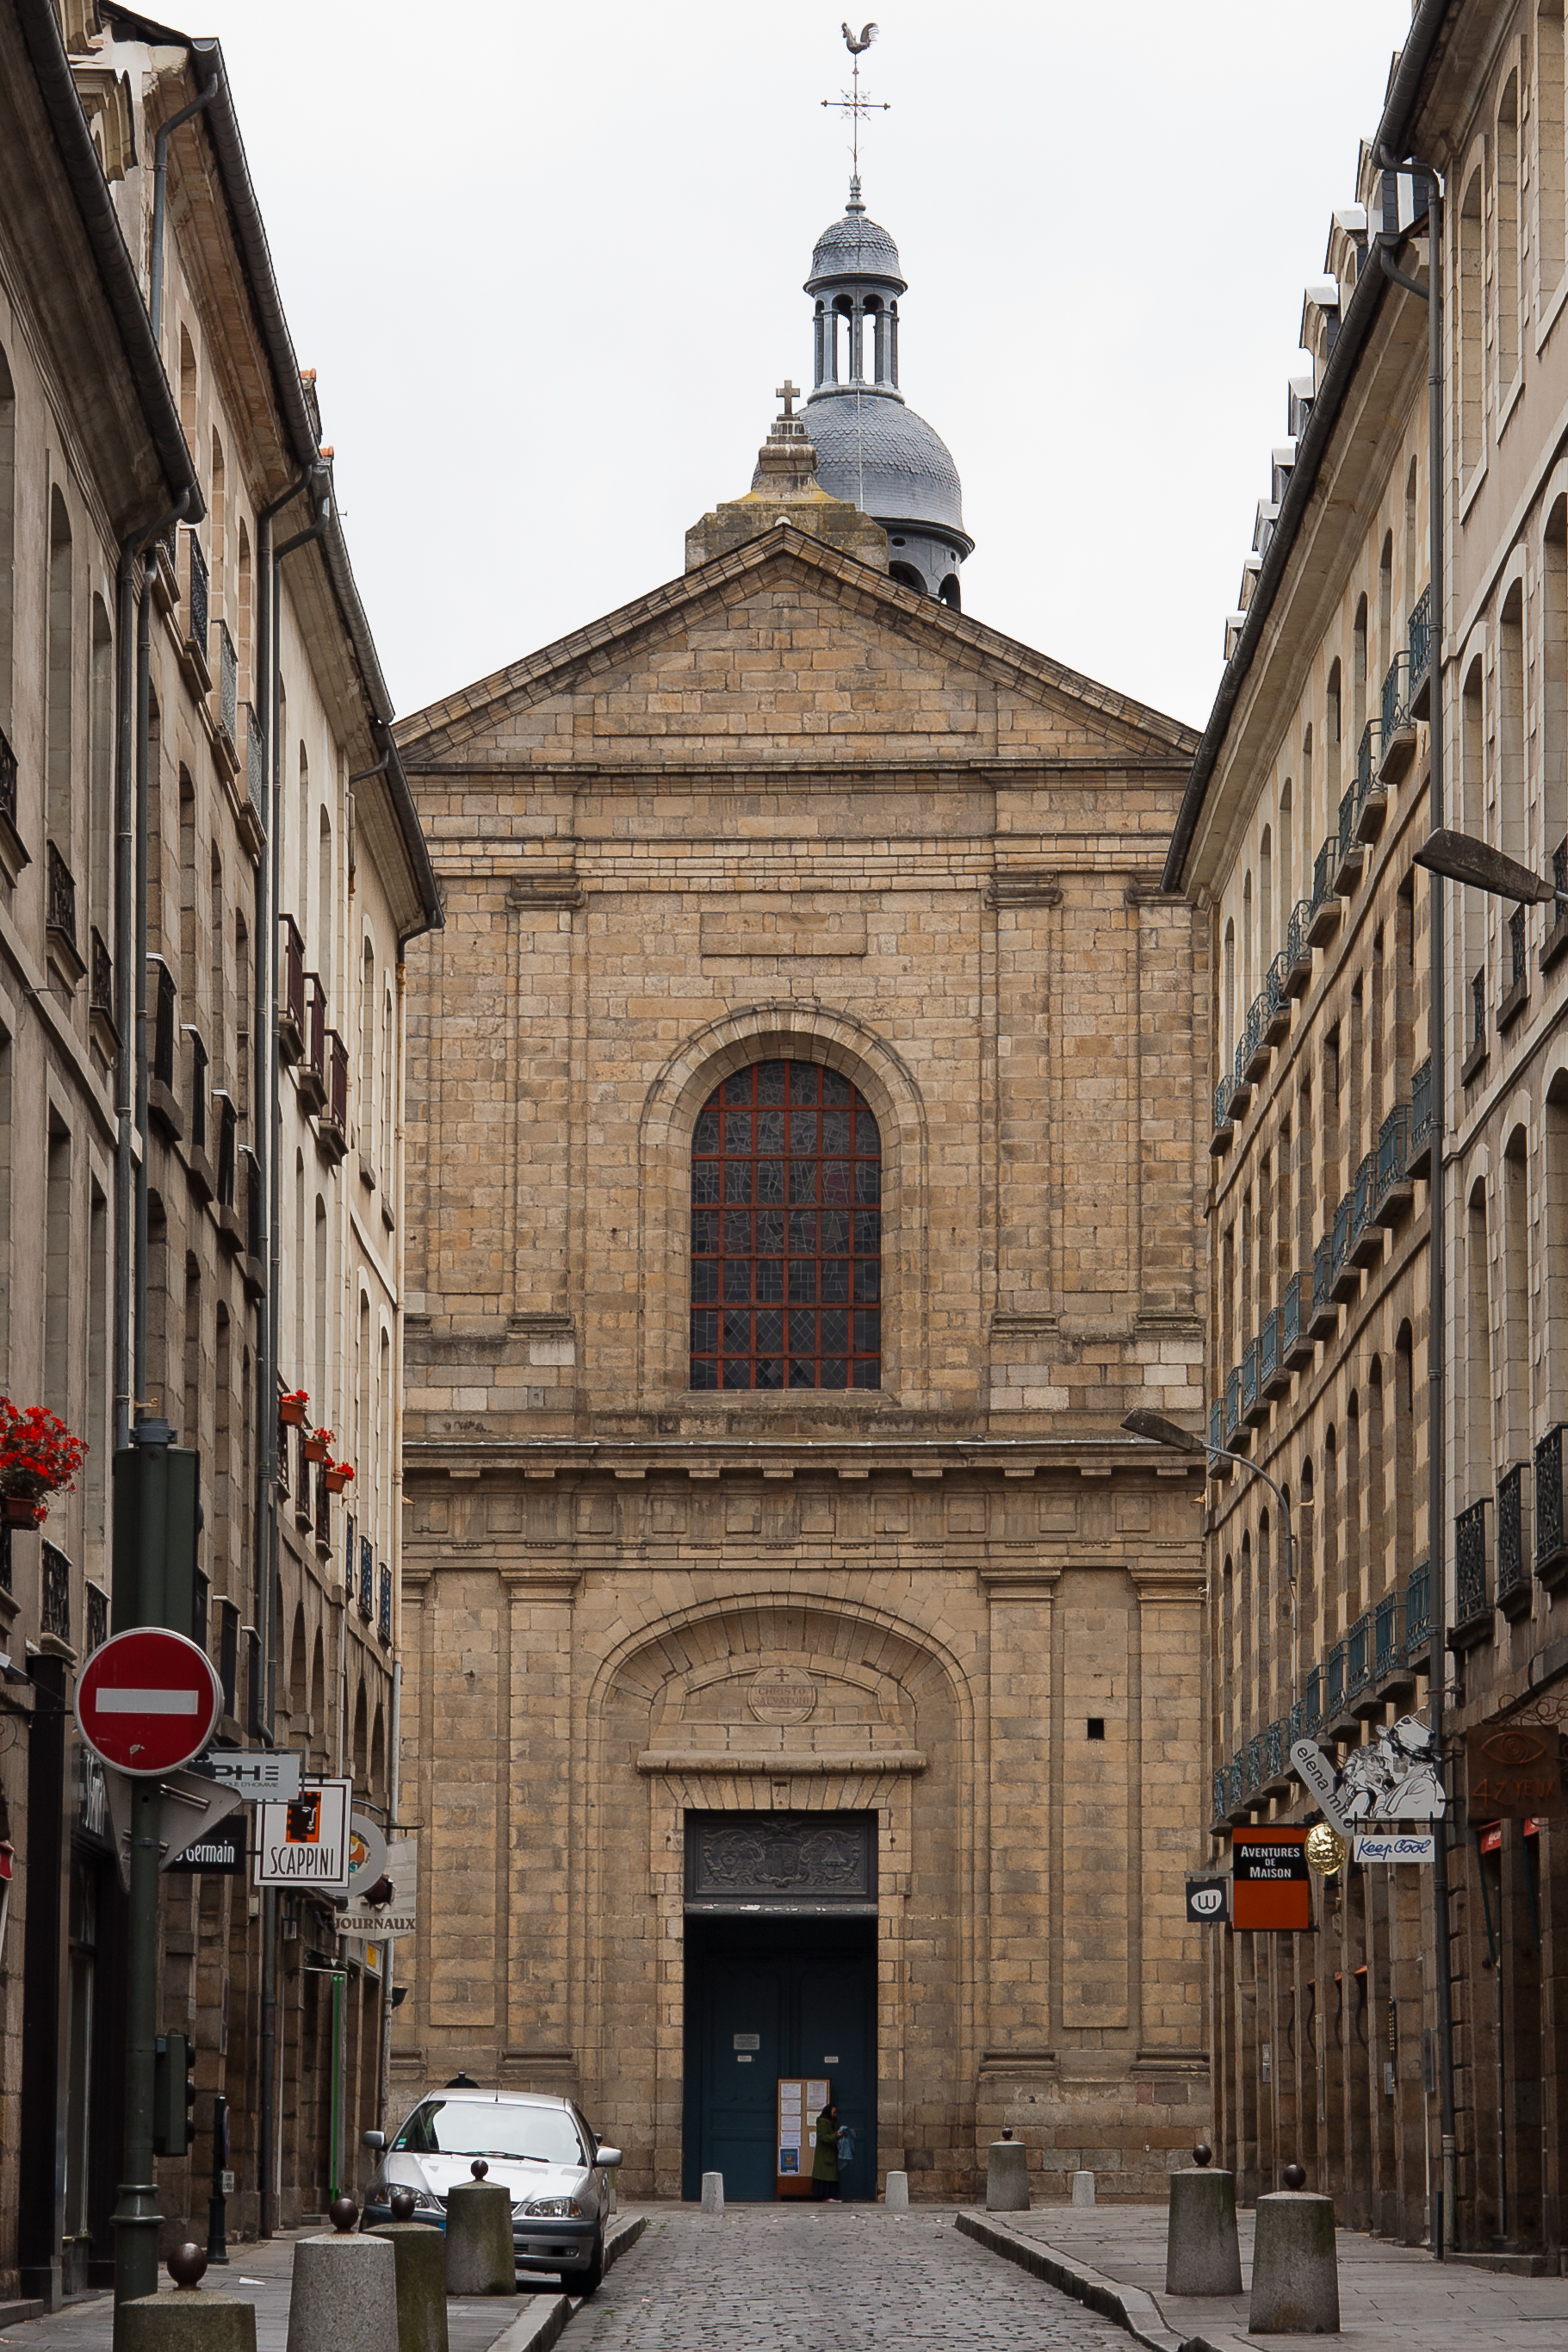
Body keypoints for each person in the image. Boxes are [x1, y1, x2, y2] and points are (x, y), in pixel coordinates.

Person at [811, 2101, 840, 2201]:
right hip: (824, 2155)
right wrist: (835, 2136)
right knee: (825, 2176)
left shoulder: (834, 2123)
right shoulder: (823, 2122)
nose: (835, 2115)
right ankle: (824, 2196)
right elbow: (824, 2137)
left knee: (831, 2175)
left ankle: (830, 2196)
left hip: (831, 2154)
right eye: (834, 2112)